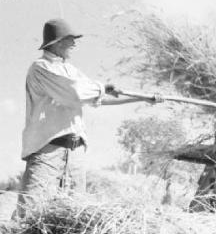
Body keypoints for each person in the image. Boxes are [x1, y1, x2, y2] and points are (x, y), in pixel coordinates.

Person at [15, 18, 161, 218]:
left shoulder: (71, 71)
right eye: (70, 40)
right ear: (57, 42)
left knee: (73, 216)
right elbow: (76, 93)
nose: (74, 44)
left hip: (75, 153)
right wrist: (103, 87)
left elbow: (95, 99)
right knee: (30, 213)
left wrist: (141, 99)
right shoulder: (41, 68)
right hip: (48, 151)